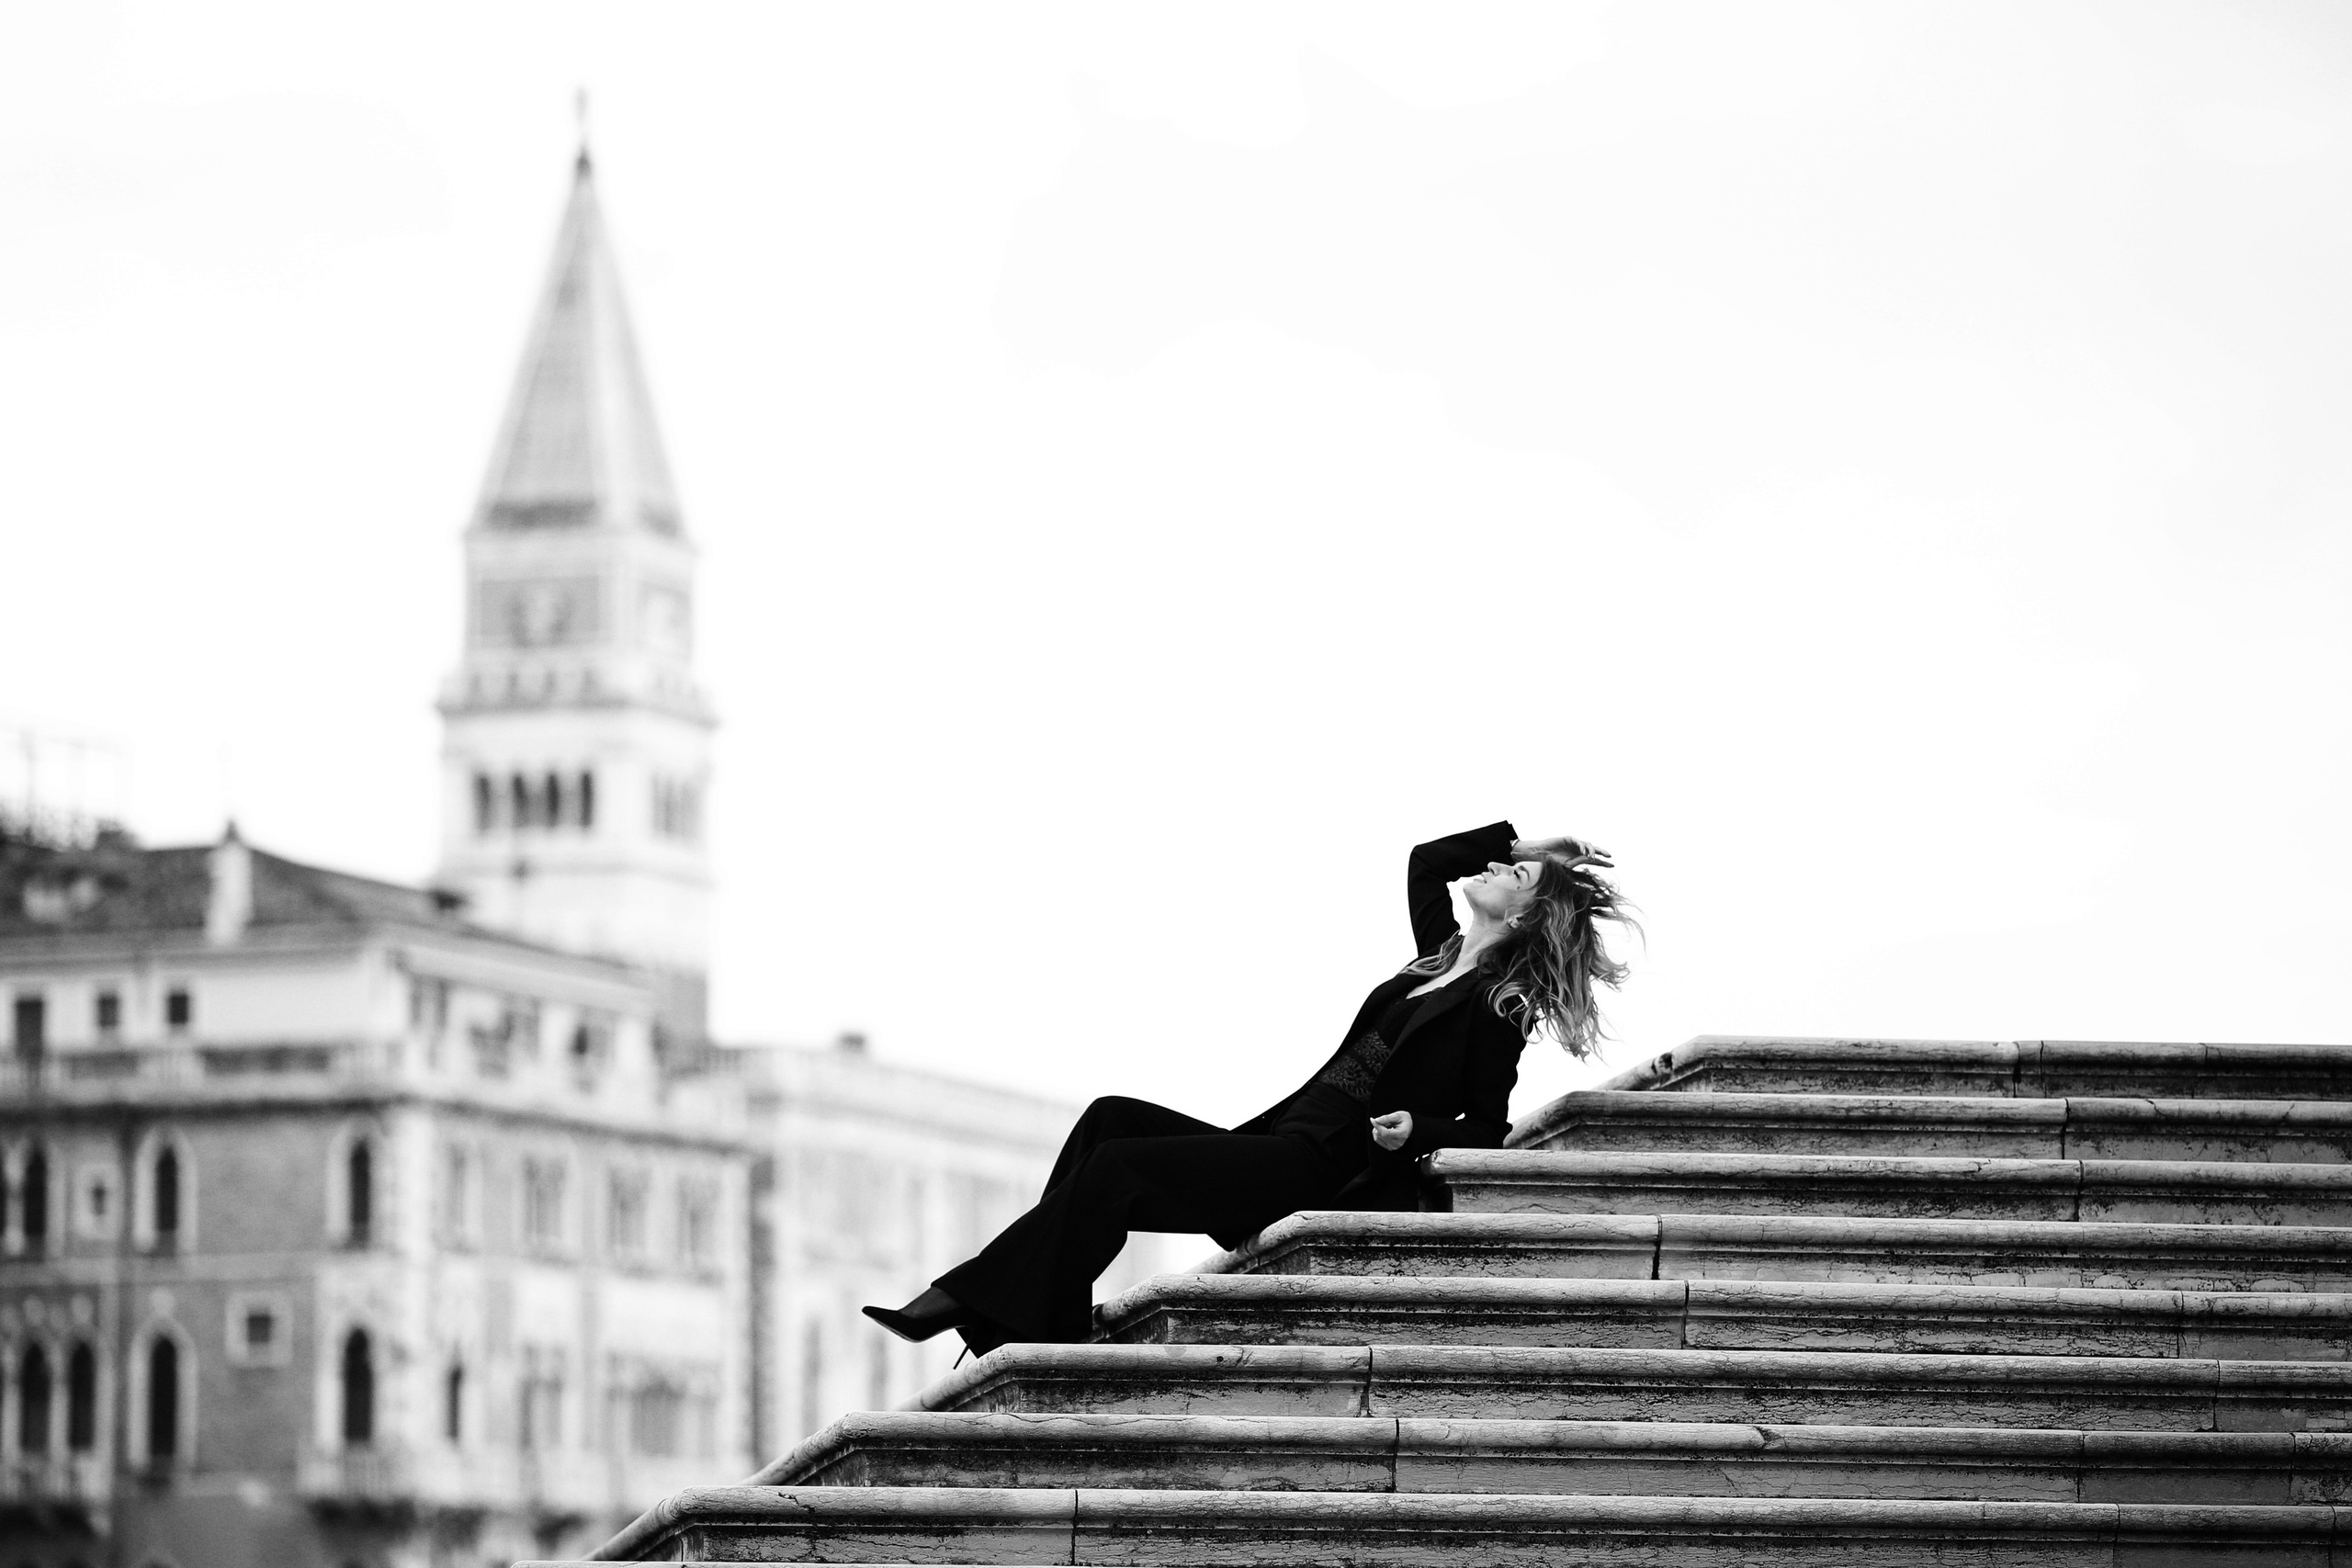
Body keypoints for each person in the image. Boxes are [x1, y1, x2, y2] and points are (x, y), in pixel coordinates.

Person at [862, 820, 1632, 1355]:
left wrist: (1417, 1127)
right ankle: (1041, 1317)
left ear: (1531, 911)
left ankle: (971, 1302)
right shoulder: (1438, 957)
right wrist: (1520, 843)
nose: (1496, 868)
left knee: (1120, 1169)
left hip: (1326, 1167)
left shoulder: (1499, 1003)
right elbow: (1426, 859)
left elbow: (1487, 1128)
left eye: (1515, 872)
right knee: (1108, 1120)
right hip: (1279, 1138)